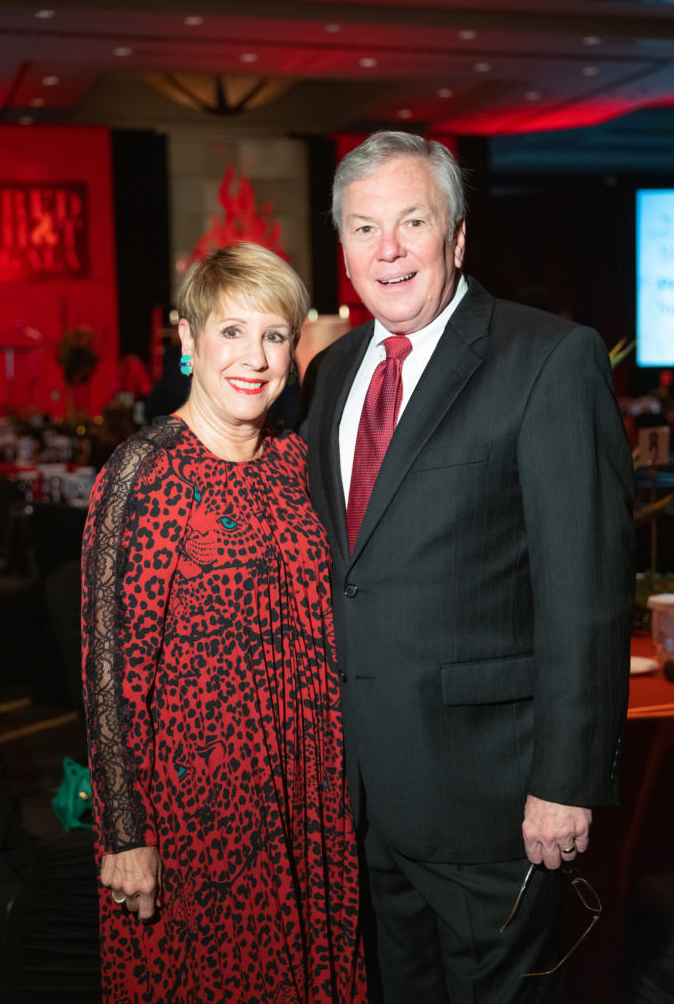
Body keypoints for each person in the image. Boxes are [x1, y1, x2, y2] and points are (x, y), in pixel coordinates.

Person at [298, 132, 634, 1003]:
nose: (389, 249)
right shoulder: (328, 374)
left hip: (493, 803)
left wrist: (566, 783)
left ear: (456, 236)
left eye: (412, 222)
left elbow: (586, 593)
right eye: (365, 228)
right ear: (343, 249)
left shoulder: (547, 358)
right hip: (358, 801)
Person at [81, 242, 366, 1004]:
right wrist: (125, 834)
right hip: (199, 808)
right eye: (231, 332)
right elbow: (109, 671)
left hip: (305, 787)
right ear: (188, 338)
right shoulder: (144, 471)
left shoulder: (294, 463)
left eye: (274, 335)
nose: (255, 357)